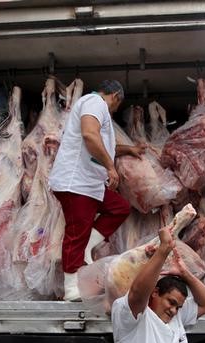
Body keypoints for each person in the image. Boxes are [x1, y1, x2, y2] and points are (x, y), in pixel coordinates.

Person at [48, 80, 144, 301]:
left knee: (119, 207)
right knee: (76, 232)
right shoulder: (95, 102)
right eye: (117, 105)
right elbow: (90, 135)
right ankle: (71, 287)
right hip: (77, 184)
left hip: (89, 185)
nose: (115, 109)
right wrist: (111, 168)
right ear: (116, 97)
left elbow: (104, 146)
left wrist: (129, 149)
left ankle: (87, 246)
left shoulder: (97, 108)